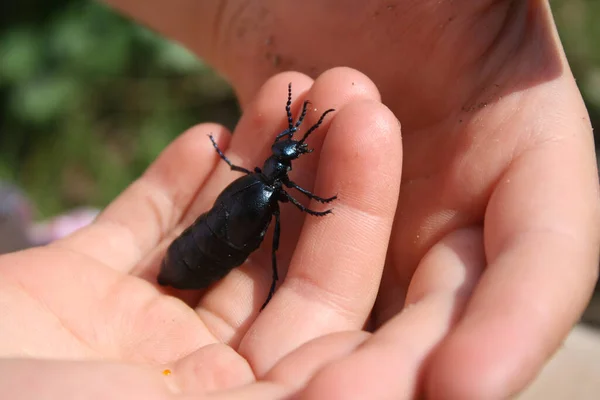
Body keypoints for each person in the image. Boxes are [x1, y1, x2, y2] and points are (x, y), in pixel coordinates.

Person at [1, 1, 598, 399]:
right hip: (187, 258)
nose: (291, 150)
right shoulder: (264, 186)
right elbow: (272, 208)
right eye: (290, 150)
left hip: (193, 251)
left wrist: (238, 11)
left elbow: (259, 194)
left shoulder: (258, 181)